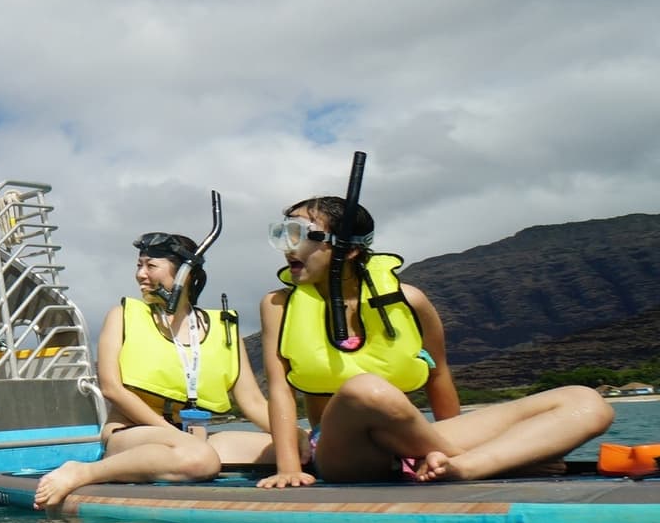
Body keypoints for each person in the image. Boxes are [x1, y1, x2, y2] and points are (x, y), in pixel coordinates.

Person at [255, 196, 613, 487]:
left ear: (348, 249)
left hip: (415, 438)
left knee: (586, 401)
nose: (290, 247)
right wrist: (288, 468)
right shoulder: (278, 306)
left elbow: (438, 376)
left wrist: (440, 436)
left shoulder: (409, 300)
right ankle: (490, 460)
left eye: (302, 235)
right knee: (364, 390)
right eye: (284, 235)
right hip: (343, 451)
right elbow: (280, 390)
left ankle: (465, 466)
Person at [34, 232, 278, 508]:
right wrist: (172, 434)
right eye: (139, 265)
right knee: (200, 458)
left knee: (297, 450)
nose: (140, 274)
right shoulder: (122, 315)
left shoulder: (223, 326)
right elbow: (112, 388)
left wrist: (295, 437)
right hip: (132, 433)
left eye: (150, 266)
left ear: (186, 273)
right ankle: (83, 471)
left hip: (197, 440)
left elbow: (254, 402)